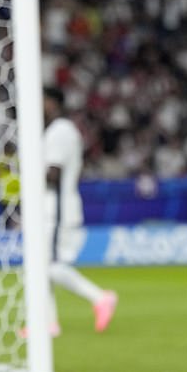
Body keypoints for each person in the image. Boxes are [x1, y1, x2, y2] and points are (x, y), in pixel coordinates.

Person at [43, 87, 117, 336]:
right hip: (53, 206)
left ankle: (99, 297)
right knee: (41, 267)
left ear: (52, 103)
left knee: (50, 266)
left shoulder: (60, 131)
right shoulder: (58, 131)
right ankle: (47, 323)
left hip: (58, 207)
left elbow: (53, 173)